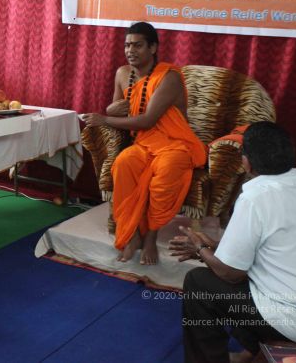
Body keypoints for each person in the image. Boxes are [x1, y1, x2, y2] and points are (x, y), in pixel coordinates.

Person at [169, 122, 296, 363]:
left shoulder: (255, 196)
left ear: (246, 162)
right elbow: (277, 248)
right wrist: (214, 247)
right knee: (248, 282)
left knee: (199, 282)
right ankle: (251, 351)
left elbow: (231, 274)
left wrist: (201, 248)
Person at [81, 22, 206, 265]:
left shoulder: (169, 77)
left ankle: (150, 237)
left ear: (153, 48)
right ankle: (132, 236)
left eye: (137, 45)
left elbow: (148, 120)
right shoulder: (122, 73)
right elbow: (118, 109)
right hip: (143, 143)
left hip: (176, 144)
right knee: (123, 164)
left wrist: (104, 117)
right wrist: (110, 110)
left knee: (165, 172)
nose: (130, 51)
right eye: (127, 45)